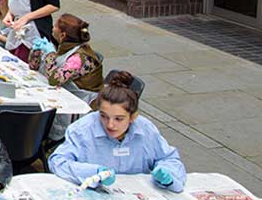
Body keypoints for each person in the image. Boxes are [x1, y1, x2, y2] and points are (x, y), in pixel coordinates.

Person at [48, 71, 186, 193]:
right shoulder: (82, 130)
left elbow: (169, 158)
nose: (110, 124)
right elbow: (58, 161)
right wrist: (94, 172)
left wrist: (168, 174)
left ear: (133, 116)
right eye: (103, 116)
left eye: (119, 119)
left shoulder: (146, 129)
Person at [30, 14, 103, 140]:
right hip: (63, 92)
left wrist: (50, 54)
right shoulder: (63, 47)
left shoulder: (78, 57)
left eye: (55, 26)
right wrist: (36, 52)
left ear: (62, 35)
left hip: (80, 100)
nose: (52, 28)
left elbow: (55, 79)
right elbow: (34, 67)